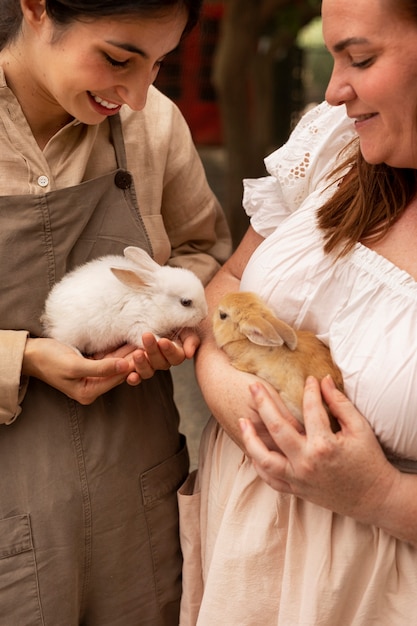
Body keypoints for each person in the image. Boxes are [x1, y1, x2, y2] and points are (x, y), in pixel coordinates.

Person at [178, 0, 417, 623]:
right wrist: (242, 404)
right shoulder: (337, 141)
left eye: (360, 57)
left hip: (371, 596)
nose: (336, 90)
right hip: (247, 562)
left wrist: (381, 494)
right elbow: (228, 283)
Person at [0, 0, 231, 624]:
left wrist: (177, 327)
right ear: (37, 8)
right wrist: (19, 358)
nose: (134, 95)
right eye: (117, 58)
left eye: (157, 64)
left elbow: (204, 249)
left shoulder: (155, 124)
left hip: (135, 493)